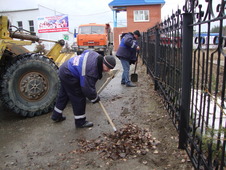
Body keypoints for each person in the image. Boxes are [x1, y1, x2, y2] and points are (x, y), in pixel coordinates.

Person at [51, 50, 116, 128]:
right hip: (69, 74)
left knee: (64, 94)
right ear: (103, 62)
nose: (108, 70)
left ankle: (56, 115)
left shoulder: (94, 54)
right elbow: (86, 88)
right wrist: (95, 98)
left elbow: (86, 51)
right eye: (107, 68)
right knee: (78, 97)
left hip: (64, 68)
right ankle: (80, 122)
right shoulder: (91, 70)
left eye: (110, 69)